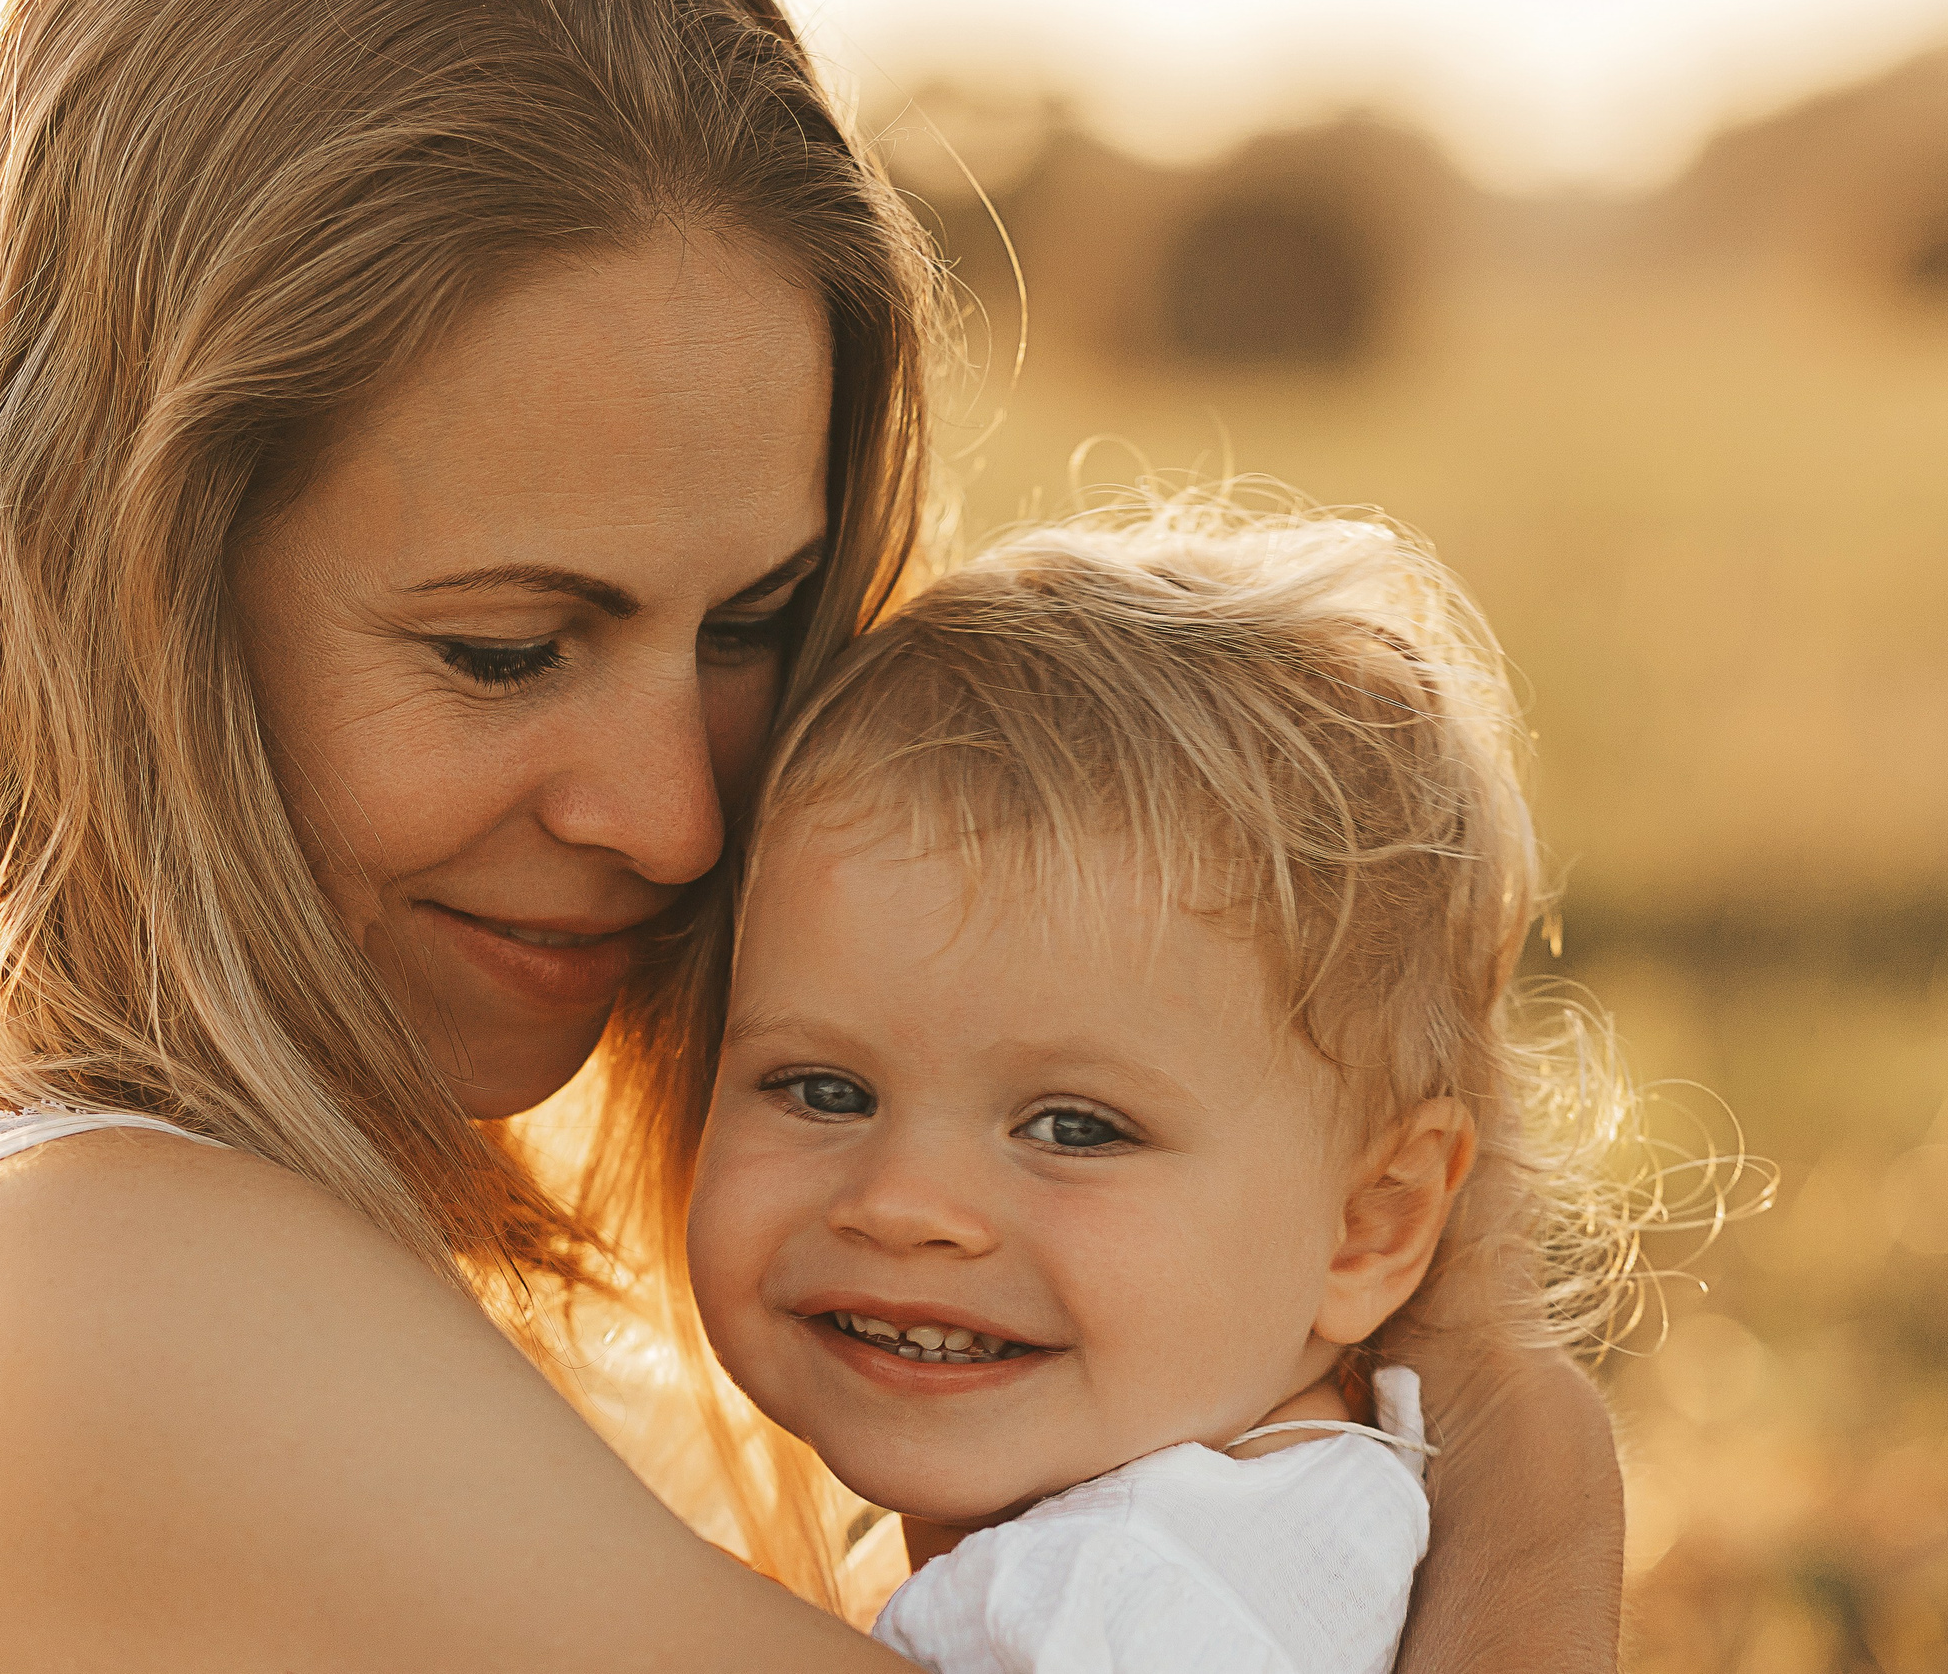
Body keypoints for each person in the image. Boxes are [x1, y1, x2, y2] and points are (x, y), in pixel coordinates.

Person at [0, 0, 1621, 1669]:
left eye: (753, 624)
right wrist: (1523, 1474)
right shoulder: (101, 1284)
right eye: (507, 647)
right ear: (111, 610)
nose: (680, 815)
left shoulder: (91, 1224)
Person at [684, 503, 1652, 1672]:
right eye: (824, 1091)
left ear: (1370, 1223)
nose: (900, 1203)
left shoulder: (1093, 1604)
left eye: (1073, 1127)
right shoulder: (1306, 1518)